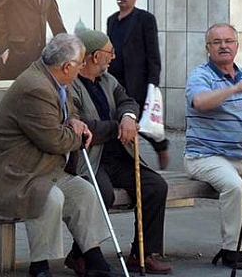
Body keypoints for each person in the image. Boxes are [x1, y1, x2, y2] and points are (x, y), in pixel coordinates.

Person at [0, 33, 123, 277]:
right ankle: (40, 266)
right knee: (49, 198)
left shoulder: (55, 80)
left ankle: (95, 261)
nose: (82, 68)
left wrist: (75, 121)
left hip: (41, 168)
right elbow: (54, 139)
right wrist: (82, 137)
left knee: (84, 192)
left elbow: (70, 110)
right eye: (80, 64)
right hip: (12, 173)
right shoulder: (35, 88)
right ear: (66, 66)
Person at [68, 29, 173, 275]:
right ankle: (80, 254)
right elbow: (85, 126)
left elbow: (127, 100)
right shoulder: (71, 85)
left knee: (155, 186)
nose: (113, 57)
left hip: (119, 156)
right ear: (94, 57)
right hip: (90, 159)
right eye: (109, 52)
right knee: (100, 193)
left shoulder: (108, 80)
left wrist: (128, 116)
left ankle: (142, 253)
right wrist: (118, 126)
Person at [184, 23, 242, 269]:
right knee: (234, 187)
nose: (224, 46)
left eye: (228, 41)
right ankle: (232, 250)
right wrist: (233, 89)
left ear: (237, 45)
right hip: (205, 156)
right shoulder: (200, 75)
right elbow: (200, 101)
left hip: (240, 155)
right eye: (217, 42)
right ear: (208, 48)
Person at [107, 0, 169, 170]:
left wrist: (153, 82)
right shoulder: (112, 20)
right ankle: (131, 163)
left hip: (139, 82)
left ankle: (162, 154)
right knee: (121, 121)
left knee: (146, 124)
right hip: (116, 82)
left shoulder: (145, 19)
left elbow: (153, 52)